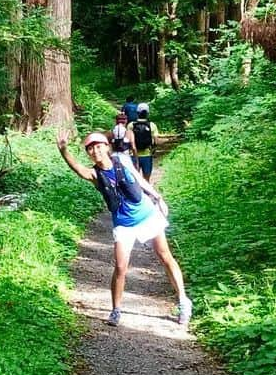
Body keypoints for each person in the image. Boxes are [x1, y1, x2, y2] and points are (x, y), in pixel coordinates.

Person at [57, 129, 192, 328]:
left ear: (107, 147)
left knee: (165, 256)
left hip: (147, 215)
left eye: (99, 146)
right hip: (124, 224)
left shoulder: (122, 161)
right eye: (91, 149)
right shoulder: (96, 174)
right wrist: (64, 151)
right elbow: (78, 169)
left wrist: (158, 197)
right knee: (120, 266)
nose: (96, 151)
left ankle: (183, 301)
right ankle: (116, 309)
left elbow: (139, 180)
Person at [130, 103, 158, 179]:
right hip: (147, 155)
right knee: (146, 180)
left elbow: (127, 140)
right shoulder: (152, 125)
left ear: (137, 113)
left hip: (134, 155)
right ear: (147, 113)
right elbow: (156, 141)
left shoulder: (131, 125)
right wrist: (154, 150)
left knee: (135, 179)